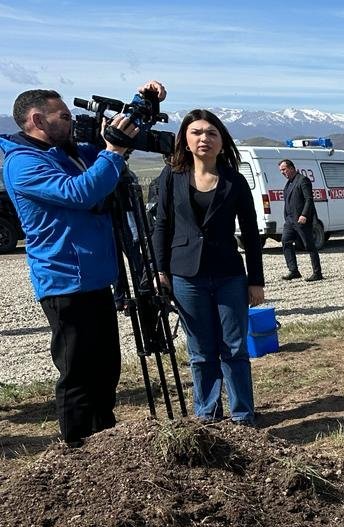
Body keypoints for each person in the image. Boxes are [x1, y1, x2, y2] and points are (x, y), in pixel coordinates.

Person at [0, 81, 165, 447]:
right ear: (37, 119)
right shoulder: (23, 163)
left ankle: (104, 442)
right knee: (77, 374)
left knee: (105, 369)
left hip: (94, 279)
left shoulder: (66, 151)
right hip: (63, 283)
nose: (71, 122)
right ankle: (76, 449)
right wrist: (114, 151)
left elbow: (117, 147)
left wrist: (142, 105)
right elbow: (82, 191)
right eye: (63, 116)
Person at [151, 109, 264, 426]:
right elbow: (161, 227)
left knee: (235, 347)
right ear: (185, 140)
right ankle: (207, 415)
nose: (204, 138)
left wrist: (256, 280)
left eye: (211, 133)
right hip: (186, 275)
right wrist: (161, 270)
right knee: (200, 350)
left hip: (229, 273)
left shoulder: (235, 181)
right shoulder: (170, 178)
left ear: (221, 140)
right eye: (197, 132)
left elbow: (252, 233)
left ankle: (243, 415)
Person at [279, 158, 322, 280]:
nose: (282, 172)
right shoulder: (289, 183)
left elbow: (309, 199)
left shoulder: (303, 180)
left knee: (309, 245)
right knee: (285, 241)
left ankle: (317, 273)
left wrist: (304, 215)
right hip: (289, 220)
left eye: (284, 169)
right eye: (281, 170)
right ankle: (293, 270)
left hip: (301, 219)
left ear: (291, 168)